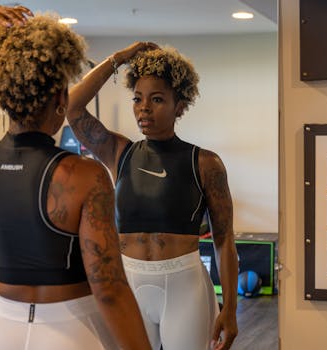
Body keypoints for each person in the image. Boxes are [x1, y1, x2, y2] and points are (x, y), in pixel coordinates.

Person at [0, 5, 151, 350]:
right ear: (61, 99)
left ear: (0, 88)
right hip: (72, 331)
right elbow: (109, 289)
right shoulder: (83, 176)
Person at [67, 45, 239, 350]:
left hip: (184, 286)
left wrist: (231, 308)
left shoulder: (205, 163)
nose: (144, 108)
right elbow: (74, 108)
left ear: (180, 106)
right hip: (127, 283)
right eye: (137, 99)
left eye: (157, 99)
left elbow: (224, 241)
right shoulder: (119, 152)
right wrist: (118, 59)